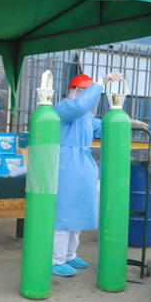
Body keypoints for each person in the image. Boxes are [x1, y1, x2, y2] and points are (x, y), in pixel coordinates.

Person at [51, 72, 123, 277]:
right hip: (66, 167)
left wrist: (125, 120)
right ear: (73, 91)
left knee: (78, 214)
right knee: (63, 215)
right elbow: (79, 106)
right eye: (82, 91)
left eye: (88, 92)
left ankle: (70, 255)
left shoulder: (86, 117)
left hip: (83, 168)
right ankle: (55, 260)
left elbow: (104, 128)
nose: (86, 97)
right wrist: (101, 82)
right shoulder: (63, 108)